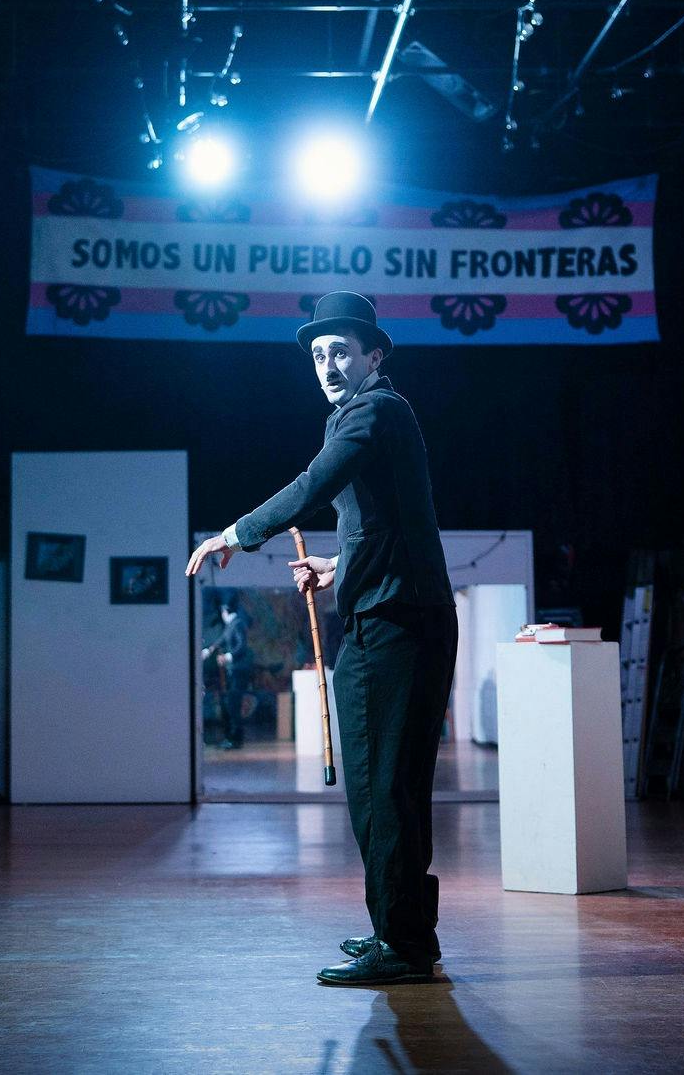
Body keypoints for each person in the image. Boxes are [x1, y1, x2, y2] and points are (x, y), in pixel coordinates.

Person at [187, 291, 457, 986]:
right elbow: (388, 525)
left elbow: (314, 486)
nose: (329, 364)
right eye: (318, 355)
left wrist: (237, 534)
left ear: (373, 355)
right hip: (393, 614)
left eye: (341, 351)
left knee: (382, 788)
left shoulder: (374, 411)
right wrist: (341, 564)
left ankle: (402, 943)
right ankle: (400, 932)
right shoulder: (368, 417)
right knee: (384, 788)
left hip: (395, 624)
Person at [199, 602, 255, 750]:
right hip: (233, 671)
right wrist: (209, 650)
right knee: (231, 704)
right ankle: (232, 737)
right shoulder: (232, 625)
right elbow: (222, 640)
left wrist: (228, 657)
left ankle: (235, 739)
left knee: (234, 704)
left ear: (225, 612)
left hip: (238, 670)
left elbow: (241, 646)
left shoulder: (237, 624)